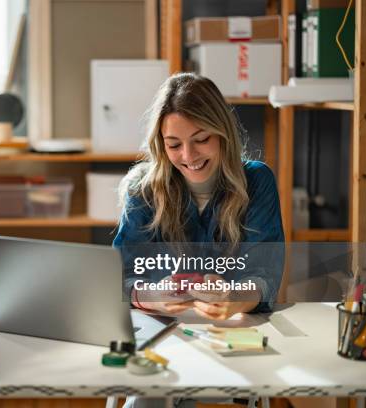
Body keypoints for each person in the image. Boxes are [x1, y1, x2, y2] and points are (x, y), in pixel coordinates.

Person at [113, 72, 284, 408]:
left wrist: (234, 296)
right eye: (174, 144)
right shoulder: (142, 188)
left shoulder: (256, 181)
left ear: (223, 134)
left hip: (230, 334)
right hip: (159, 332)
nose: (188, 156)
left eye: (201, 138)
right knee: (151, 394)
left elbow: (266, 277)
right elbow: (116, 278)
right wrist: (152, 297)